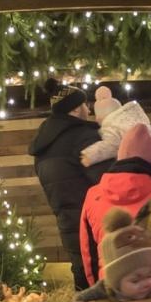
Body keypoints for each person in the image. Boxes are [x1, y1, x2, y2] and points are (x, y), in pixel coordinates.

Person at [30, 80, 102, 291]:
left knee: (82, 274)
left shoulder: (42, 146)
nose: (88, 110)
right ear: (75, 108)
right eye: (85, 105)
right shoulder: (82, 136)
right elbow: (105, 179)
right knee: (101, 279)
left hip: (66, 222)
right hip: (94, 222)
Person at [79, 123, 151, 286]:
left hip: (111, 287)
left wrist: (97, 288)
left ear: (120, 156)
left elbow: (88, 252)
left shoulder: (93, 195)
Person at [80, 86, 151, 168]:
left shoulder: (111, 126)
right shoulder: (132, 120)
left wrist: (89, 156)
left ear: (101, 118)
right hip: (146, 156)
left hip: (130, 162)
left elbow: (110, 145)